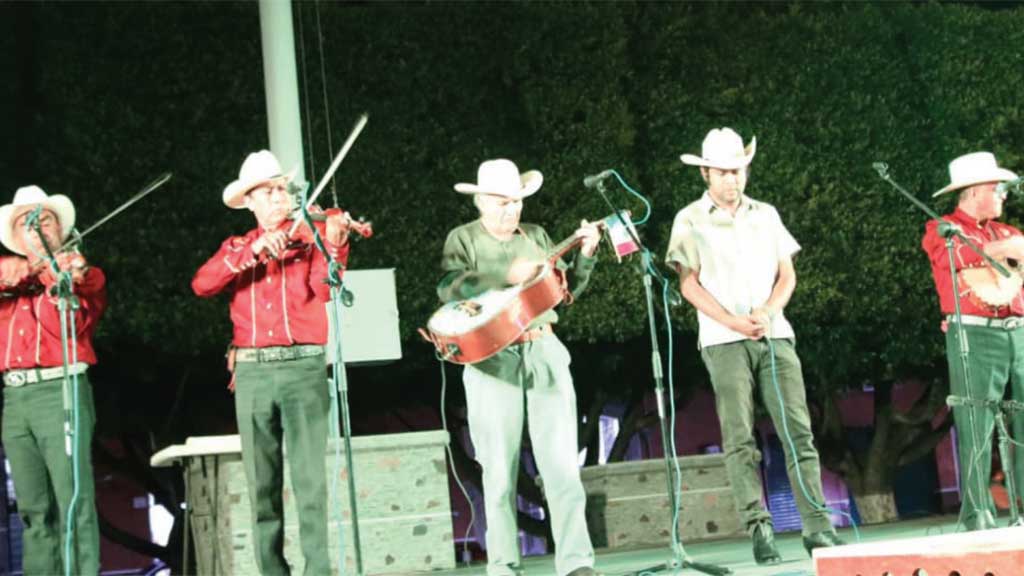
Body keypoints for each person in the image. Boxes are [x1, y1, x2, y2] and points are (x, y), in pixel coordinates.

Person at [665, 128, 842, 564]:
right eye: (724, 171)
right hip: (724, 340)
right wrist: (731, 321)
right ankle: (759, 528)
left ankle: (817, 526)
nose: (733, 179)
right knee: (740, 436)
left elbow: (788, 274)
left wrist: (767, 311)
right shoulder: (689, 218)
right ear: (706, 173)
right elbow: (688, 283)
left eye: (739, 170)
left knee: (797, 429)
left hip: (773, 332)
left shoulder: (766, 213)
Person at [438, 158, 601, 576]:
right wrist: (506, 274)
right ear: (480, 202)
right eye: (502, 202)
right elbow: (451, 286)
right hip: (492, 358)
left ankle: (577, 563)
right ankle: (504, 564)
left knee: (562, 463)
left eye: (517, 202)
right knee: (498, 466)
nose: (512, 210)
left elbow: (562, 292)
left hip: (543, 348)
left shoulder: (537, 236)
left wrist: (585, 256)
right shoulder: (463, 238)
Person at [192, 150, 351, 575]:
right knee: (261, 484)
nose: (281, 198)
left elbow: (325, 289)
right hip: (253, 372)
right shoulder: (237, 247)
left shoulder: (312, 237)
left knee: (310, 482)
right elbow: (202, 284)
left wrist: (334, 242)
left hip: (304, 368)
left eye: (283, 190)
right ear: (251, 201)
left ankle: (318, 570)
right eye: (270, 192)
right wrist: (254, 253)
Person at [0, 185, 106, 575]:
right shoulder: (9, 273)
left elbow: (68, 324)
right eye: (25, 223)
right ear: (17, 238)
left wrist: (56, 275)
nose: (35, 226)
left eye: (43, 220)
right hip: (15, 398)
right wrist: (25, 268)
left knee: (73, 500)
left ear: (59, 231)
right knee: (32, 508)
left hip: (60, 388)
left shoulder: (80, 274)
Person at [921, 151, 1023, 531]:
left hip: (1019, 331)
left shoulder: (1010, 232)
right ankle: (977, 511)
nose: (1004, 195)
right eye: (998, 188)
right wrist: (1003, 251)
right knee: (975, 418)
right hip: (975, 333)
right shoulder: (942, 229)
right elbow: (954, 255)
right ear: (975, 190)